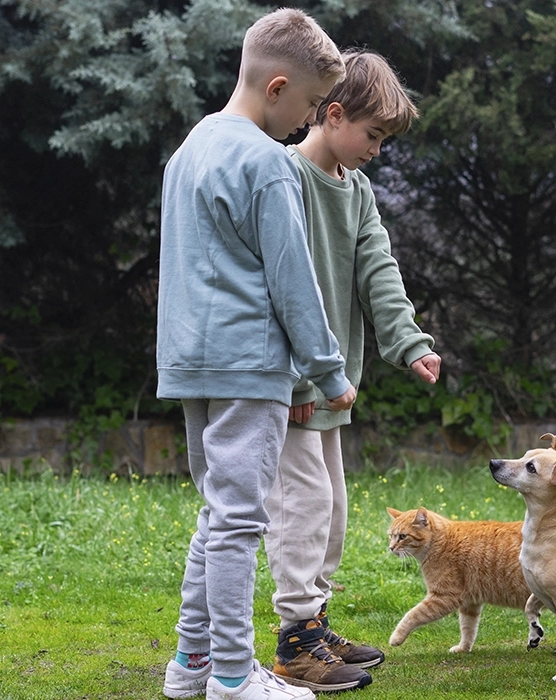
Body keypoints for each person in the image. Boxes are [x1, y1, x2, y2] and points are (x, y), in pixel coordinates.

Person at [156, 9, 365, 700]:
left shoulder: (188, 150)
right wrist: (328, 372)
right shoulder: (267, 163)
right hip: (250, 371)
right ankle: (234, 676)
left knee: (219, 515)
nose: (306, 121)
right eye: (308, 106)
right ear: (278, 87)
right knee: (240, 524)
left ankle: (190, 666)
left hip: (192, 364)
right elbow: (293, 283)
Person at [263, 49, 442, 693]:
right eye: (372, 135)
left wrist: (409, 343)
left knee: (332, 508)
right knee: (302, 510)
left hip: (332, 382)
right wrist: (296, 380)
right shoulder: (284, 177)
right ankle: (295, 644)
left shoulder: (356, 189)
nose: (376, 150)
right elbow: (275, 287)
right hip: (295, 385)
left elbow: (378, 273)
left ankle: (317, 625)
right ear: (332, 114)